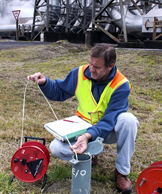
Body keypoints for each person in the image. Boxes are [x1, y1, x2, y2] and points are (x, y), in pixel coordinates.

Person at [27, 43, 138, 193]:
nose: (91, 69)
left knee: (128, 121)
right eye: (90, 64)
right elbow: (59, 91)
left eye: (97, 67)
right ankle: (89, 155)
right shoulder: (80, 73)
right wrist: (45, 82)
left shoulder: (121, 85)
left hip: (108, 131)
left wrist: (88, 135)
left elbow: (110, 119)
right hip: (83, 128)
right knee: (56, 148)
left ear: (110, 66)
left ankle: (122, 172)